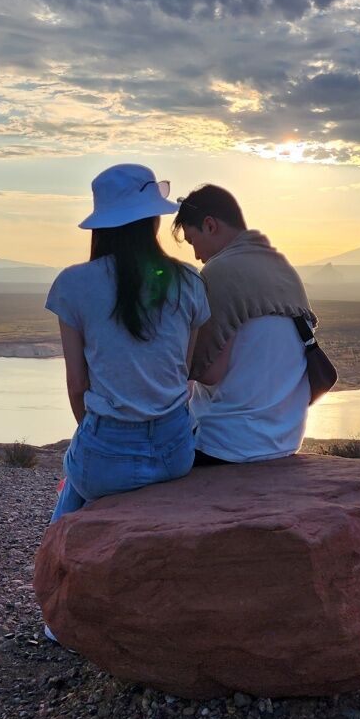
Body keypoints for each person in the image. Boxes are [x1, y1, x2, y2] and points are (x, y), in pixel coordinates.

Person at [44, 163, 208, 524]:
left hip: (106, 461)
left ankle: (54, 560)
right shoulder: (188, 280)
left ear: (102, 225)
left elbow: (77, 386)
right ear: (153, 221)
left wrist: (105, 439)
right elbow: (184, 371)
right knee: (78, 471)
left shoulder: (73, 284)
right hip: (175, 454)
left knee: (75, 475)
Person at [172, 184, 313, 465]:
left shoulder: (219, 272)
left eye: (191, 240)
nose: (197, 256)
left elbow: (209, 372)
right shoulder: (283, 269)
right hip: (286, 440)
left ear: (210, 225)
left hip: (226, 445)